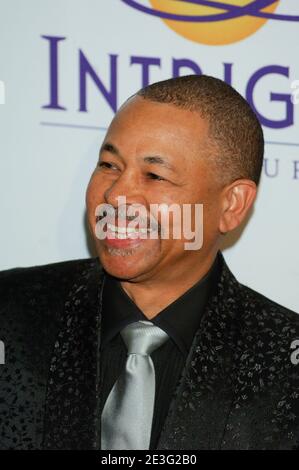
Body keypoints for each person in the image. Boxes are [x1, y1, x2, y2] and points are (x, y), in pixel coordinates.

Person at [0, 75, 298, 450]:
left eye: (154, 175)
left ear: (231, 204)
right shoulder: (10, 314)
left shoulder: (286, 363)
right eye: (109, 165)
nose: (116, 194)